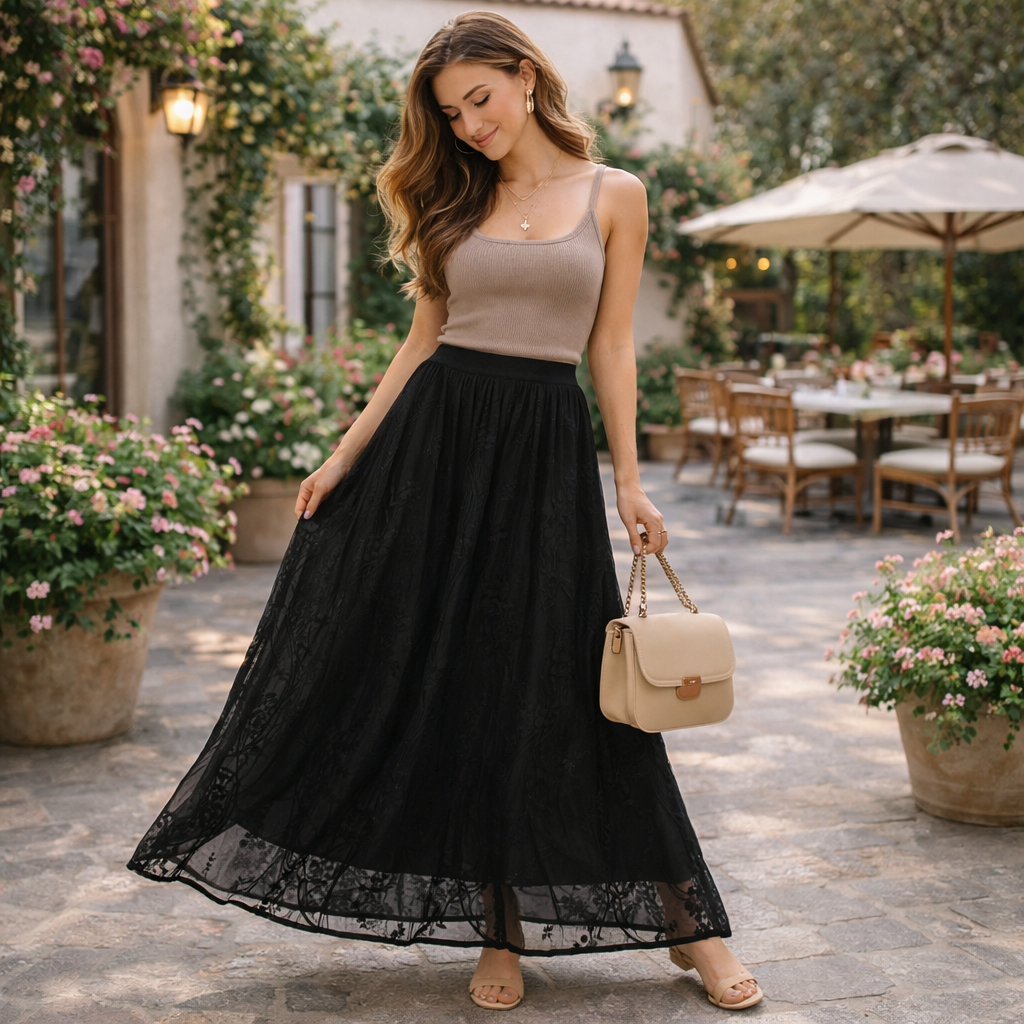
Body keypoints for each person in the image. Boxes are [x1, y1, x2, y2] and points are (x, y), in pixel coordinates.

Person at [127, 11, 762, 1013]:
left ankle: (691, 922)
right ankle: (497, 927)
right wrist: (344, 453)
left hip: (545, 450)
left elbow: (612, 349)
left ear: (522, 76)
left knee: (564, 681)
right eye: (450, 113)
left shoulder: (615, 194)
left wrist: (630, 480)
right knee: (459, 683)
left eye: (479, 100)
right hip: (435, 450)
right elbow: (422, 343)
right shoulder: (453, 199)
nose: (469, 126)